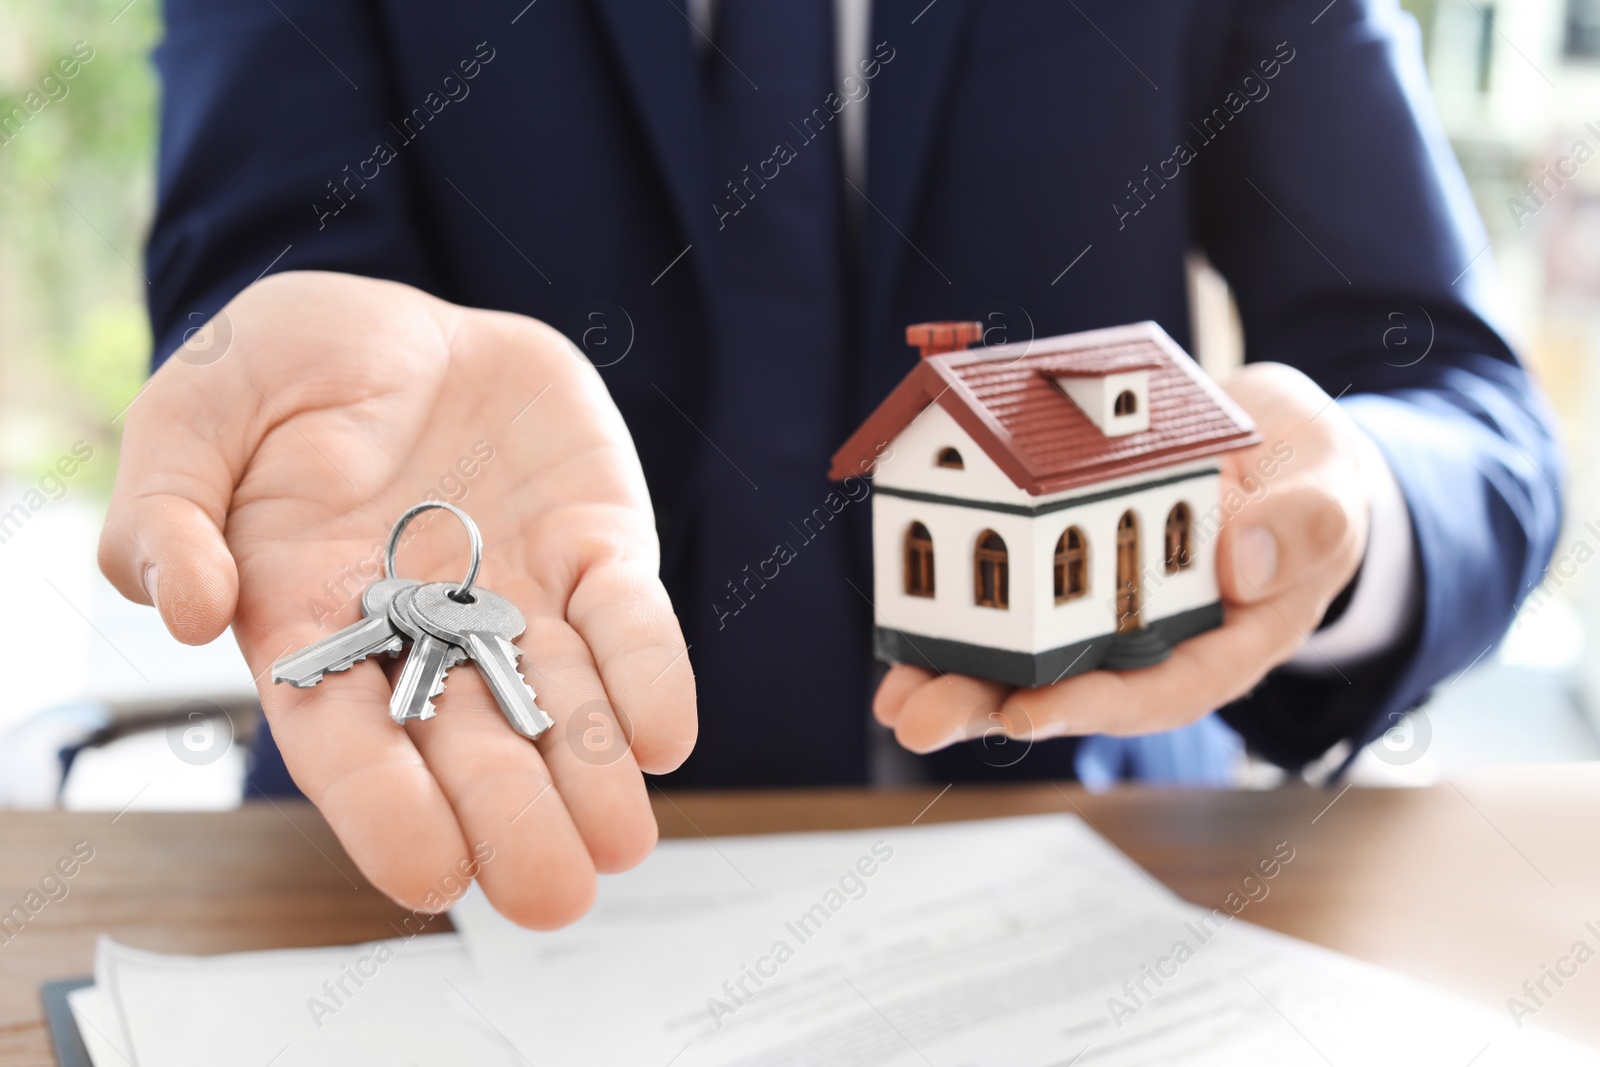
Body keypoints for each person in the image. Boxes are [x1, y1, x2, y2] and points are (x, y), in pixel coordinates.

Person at [97, 0, 1561, 928]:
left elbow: (1467, 411)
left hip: (1104, 886)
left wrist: (1343, 500)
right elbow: (267, 309)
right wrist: (282, 382)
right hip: (434, 872)